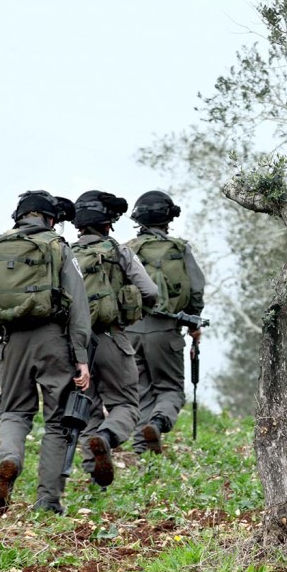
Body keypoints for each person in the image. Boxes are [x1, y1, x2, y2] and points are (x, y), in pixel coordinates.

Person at [0, 190, 91, 514]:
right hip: (53, 340)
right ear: (50, 218)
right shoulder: (58, 247)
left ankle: (10, 458)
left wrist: (2, 333)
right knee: (57, 421)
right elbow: (79, 306)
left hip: (11, 341)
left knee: (13, 411)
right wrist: (81, 358)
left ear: (20, 216)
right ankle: (47, 502)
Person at [71, 191, 159, 487]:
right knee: (126, 405)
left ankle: (94, 479)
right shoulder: (119, 251)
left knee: (88, 408)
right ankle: (106, 438)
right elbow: (150, 292)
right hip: (111, 337)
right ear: (108, 223)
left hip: (74, 345)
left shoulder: (65, 254)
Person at [125, 191, 206, 454]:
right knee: (171, 389)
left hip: (131, 331)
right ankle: (158, 424)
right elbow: (195, 290)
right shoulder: (180, 249)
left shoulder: (126, 250)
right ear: (168, 219)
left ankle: (141, 450)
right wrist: (194, 324)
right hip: (167, 330)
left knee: (141, 391)